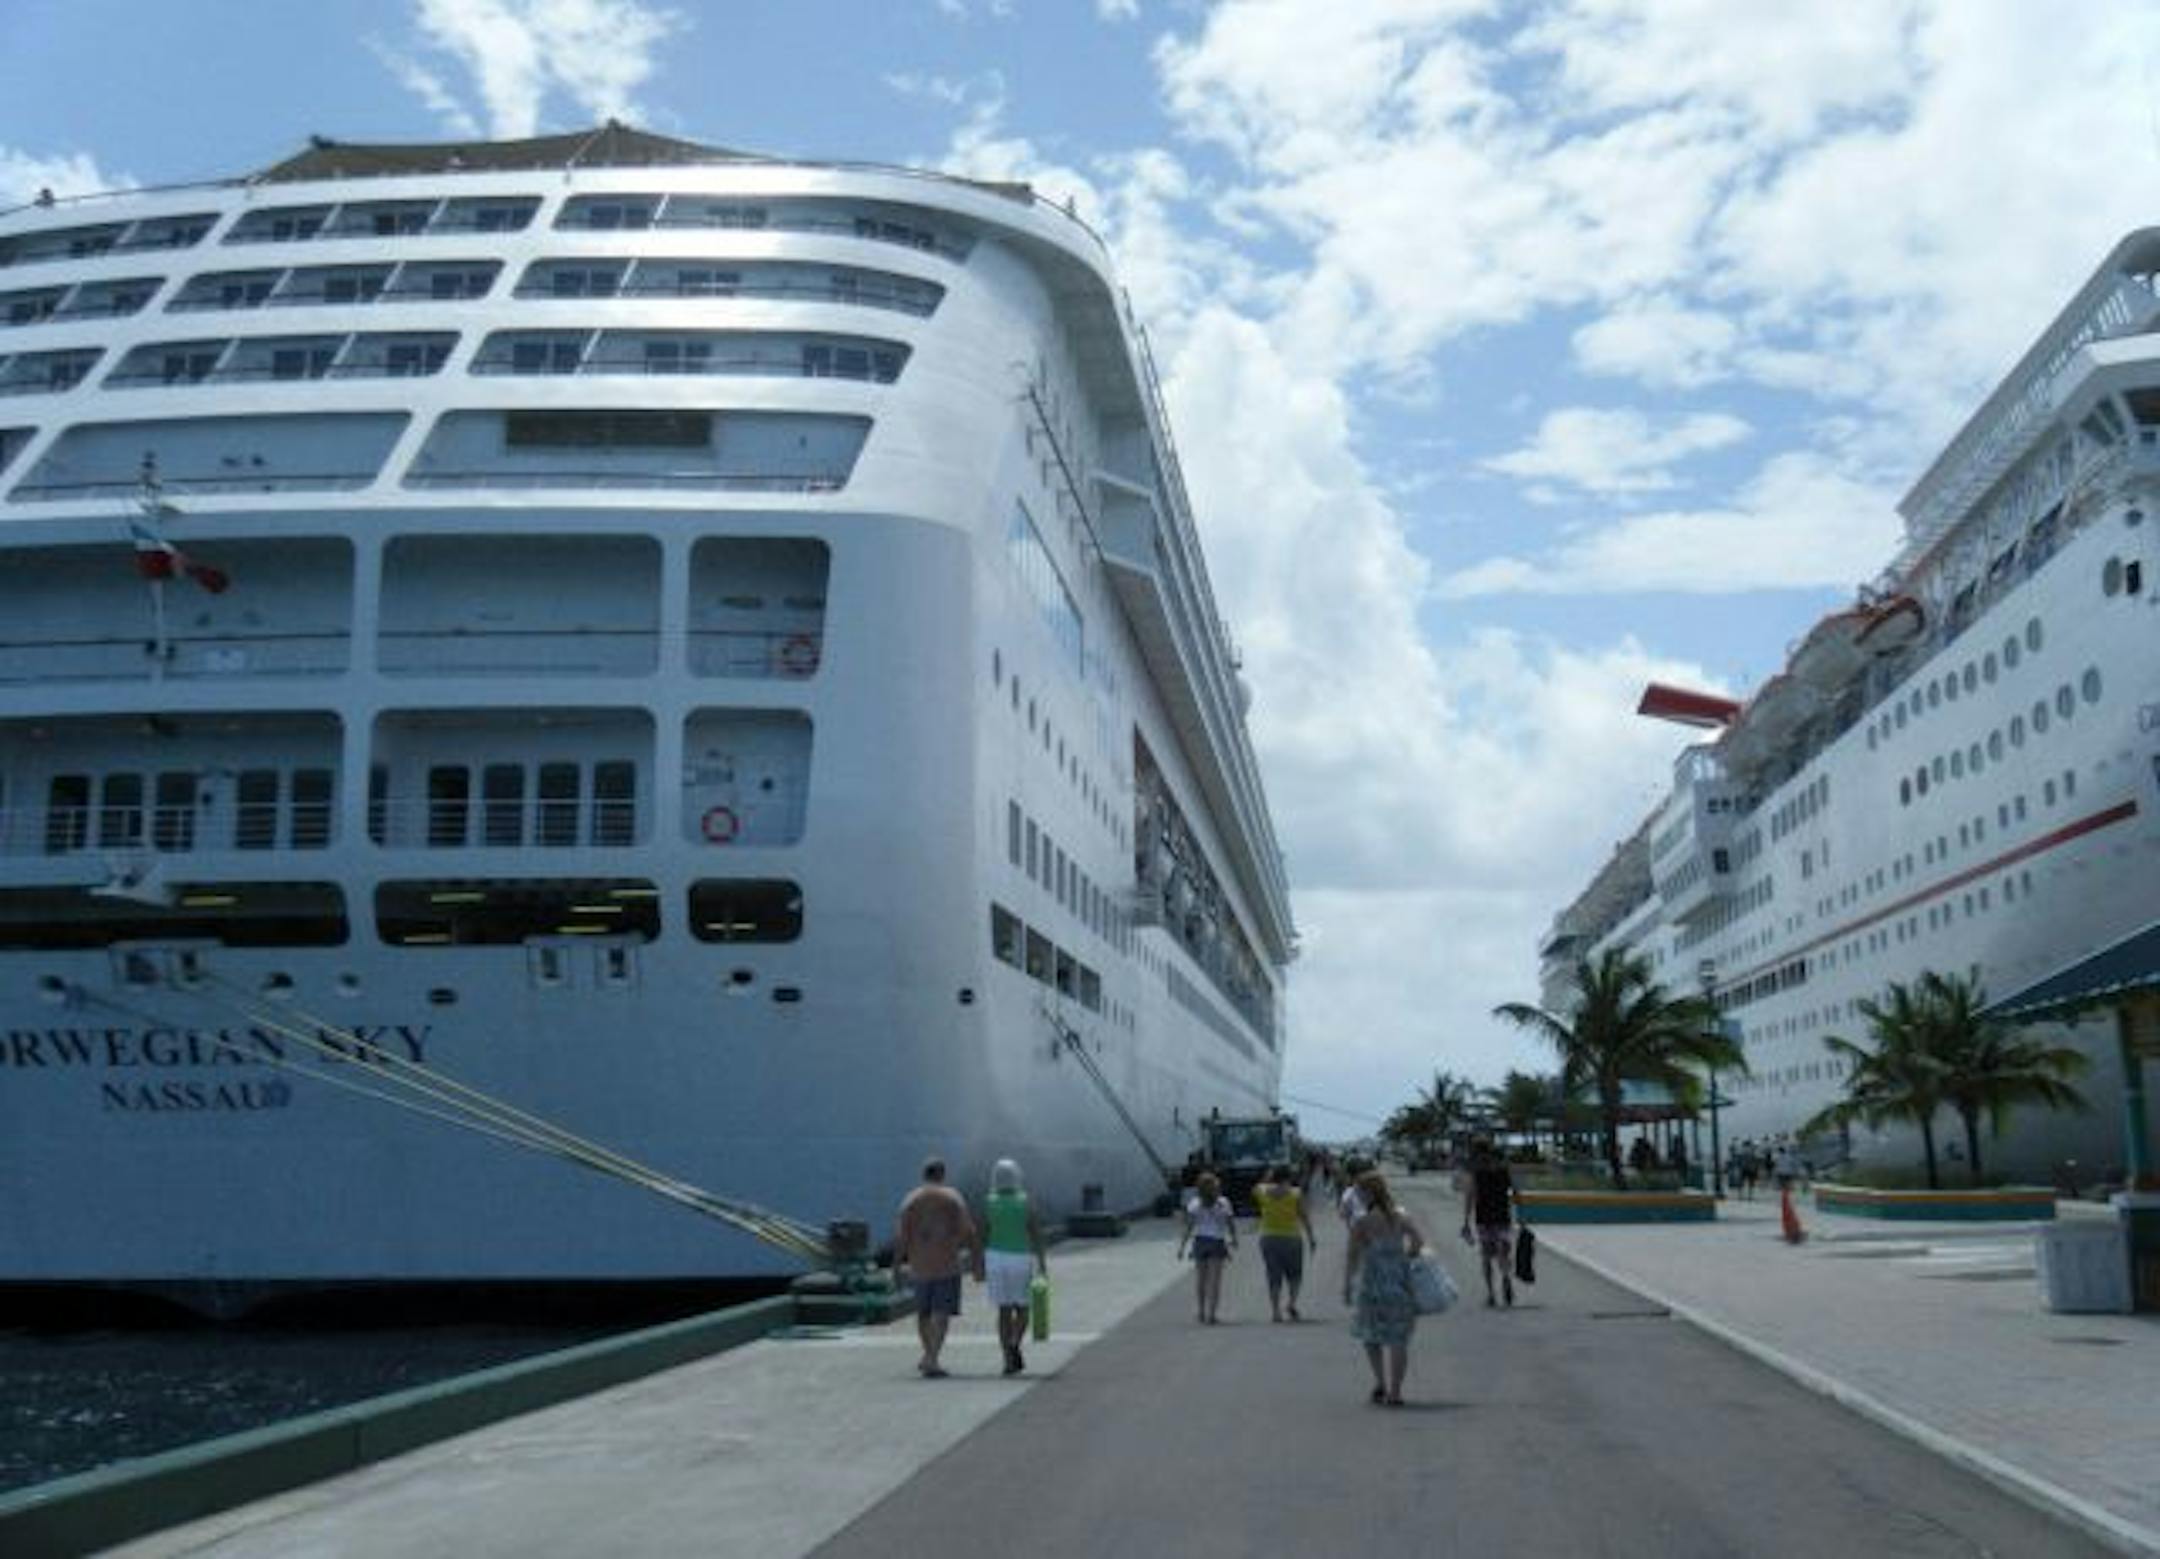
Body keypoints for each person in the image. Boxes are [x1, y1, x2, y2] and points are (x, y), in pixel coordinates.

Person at [893, 1155, 980, 1378]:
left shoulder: (910, 1201)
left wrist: (895, 1268)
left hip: (919, 1266)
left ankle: (928, 1354)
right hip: (946, 1265)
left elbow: (901, 1239)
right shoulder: (953, 1198)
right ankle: (932, 1357)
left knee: (923, 1314)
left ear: (923, 1175)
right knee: (941, 1313)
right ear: (942, 1175)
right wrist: (977, 1261)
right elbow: (969, 1232)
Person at [1342, 1171, 1424, 1406]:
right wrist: (1403, 1257)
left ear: (1368, 1194)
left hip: (1372, 1283)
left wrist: (1347, 1285)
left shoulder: (1362, 1222)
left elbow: (1352, 1256)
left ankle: (1381, 1383)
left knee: (1372, 1335)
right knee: (1399, 1338)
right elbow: (1418, 1242)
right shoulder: (1401, 1215)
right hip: (1400, 1281)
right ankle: (1396, 1392)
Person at [982, 1158, 1047, 1376]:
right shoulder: (1026, 1201)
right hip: (1020, 1257)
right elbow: (1035, 1232)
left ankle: (1007, 1359)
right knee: (1023, 1308)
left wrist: (980, 1261)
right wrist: (1042, 1263)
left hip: (995, 1257)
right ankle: (1014, 1343)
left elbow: (984, 1231)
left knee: (1004, 1310)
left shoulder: (988, 1201)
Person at [1253, 1163, 1317, 1322]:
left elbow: (1258, 1186)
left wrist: (1268, 1177)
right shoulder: (1296, 1193)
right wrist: (1311, 1238)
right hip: (1292, 1238)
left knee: (1273, 1275)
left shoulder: (1262, 1192)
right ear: (1289, 1177)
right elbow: (1304, 1217)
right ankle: (1291, 1302)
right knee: (1295, 1274)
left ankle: (1275, 1311)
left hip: (1269, 1237)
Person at [1459, 1137, 1518, 1308]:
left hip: (1484, 1219)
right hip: (1502, 1216)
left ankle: (1491, 1294)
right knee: (1504, 1253)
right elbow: (1515, 1192)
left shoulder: (1476, 1172)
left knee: (1486, 1256)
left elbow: (1470, 1196)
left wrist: (1465, 1221)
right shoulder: (1503, 1169)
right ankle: (1506, 1277)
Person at [1178, 1171, 1239, 1324]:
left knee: (1201, 1280)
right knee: (1215, 1281)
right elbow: (1230, 1224)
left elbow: (1189, 1227)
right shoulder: (1224, 1202)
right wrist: (1234, 1238)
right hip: (1217, 1242)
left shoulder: (1194, 1203)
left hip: (1200, 1241)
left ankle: (1200, 1311)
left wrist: (1182, 1246)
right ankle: (1212, 1314)